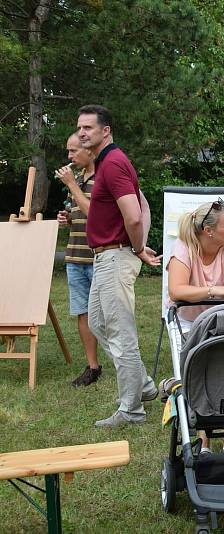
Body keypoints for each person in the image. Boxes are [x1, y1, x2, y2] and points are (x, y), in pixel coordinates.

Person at [78, 104, 161, 428]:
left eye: (88, 127)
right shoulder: (106, 163)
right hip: (105, 257)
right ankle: (143, 384)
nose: (83, 132)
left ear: (105, 131)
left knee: (121, 334)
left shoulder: (113, 163)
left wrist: (136, 247)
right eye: (80, 127)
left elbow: (135, 213)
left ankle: (131, 410)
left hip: (115, 257)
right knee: (99, 324)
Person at [167, 199, 224, 452]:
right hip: (187, 319)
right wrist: (216, 290)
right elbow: (177, 290)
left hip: (220, 319)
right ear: (209, 231)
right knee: (196, 376)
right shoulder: (183, 248)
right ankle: (203, 444)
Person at [55, 133, 100, 387]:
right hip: (75, 256)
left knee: (106, 315)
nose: (69, 157)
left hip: (99, 258)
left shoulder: (102, 179)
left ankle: (123, 363)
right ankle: (92, 367)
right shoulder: (78, 179)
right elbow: (81, 214)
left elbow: (96, 214)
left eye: (73, 152)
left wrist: (71, 185)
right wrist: (67, 218)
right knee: (82, 313)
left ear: (89, 151)